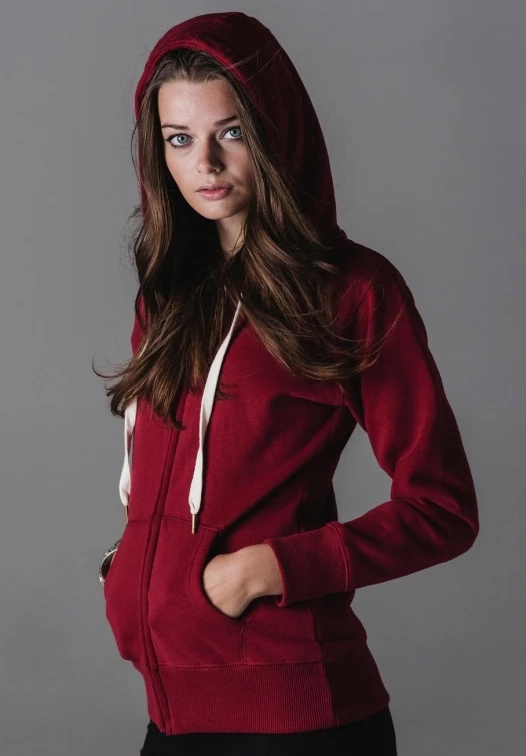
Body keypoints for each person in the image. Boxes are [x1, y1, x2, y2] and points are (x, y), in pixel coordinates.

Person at [94, 10, 479, 756]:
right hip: (174, 709)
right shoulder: (167, 297)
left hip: (300, 715)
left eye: (231, 132)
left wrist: (267, 569)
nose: (205, 163)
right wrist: (131, 565)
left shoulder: (352, 292)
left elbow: (444, 508)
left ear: (275, 133)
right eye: (179, 139)